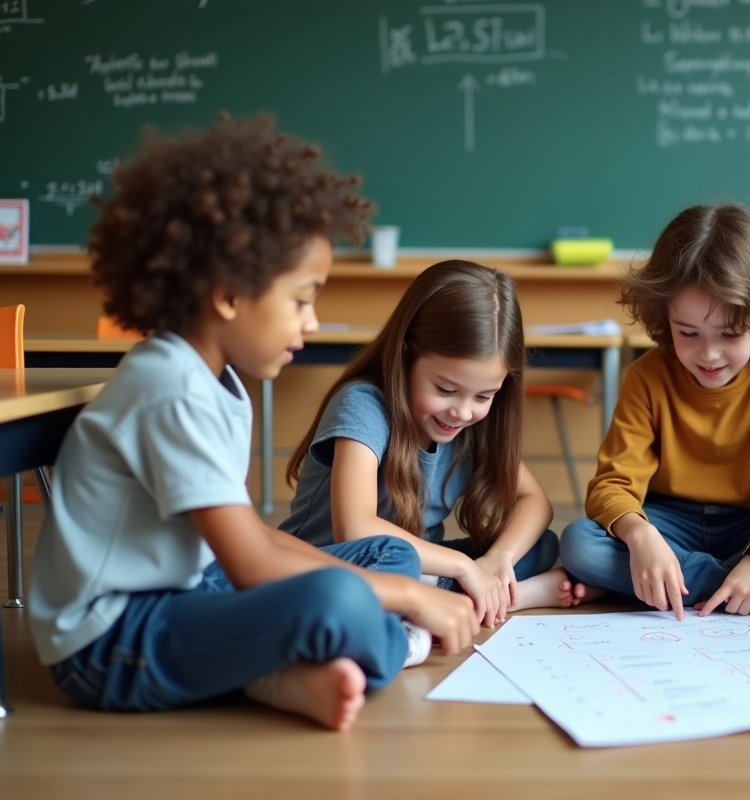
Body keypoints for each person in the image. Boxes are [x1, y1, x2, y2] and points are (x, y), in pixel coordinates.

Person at [28, 115, 480, 732]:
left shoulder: (213, 380)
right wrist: (413, 601)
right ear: (228, 294)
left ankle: (282, 673)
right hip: (108, 641)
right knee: (347, 596)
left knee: (385, 554)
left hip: (187, 589)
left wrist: (400, 583)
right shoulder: (171, 390)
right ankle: (384, 648)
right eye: (301, 299)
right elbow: (251, 565)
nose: (312, 322)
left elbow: (255, 539)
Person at [559, 204, 750, 621]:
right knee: (580, 543)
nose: (708, 354)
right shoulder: (648, 376)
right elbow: (612, 484)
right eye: (688, 333)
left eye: (729, 334)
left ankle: (681, 581)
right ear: (664, 316)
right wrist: (641, 537)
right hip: (669, 522)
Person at [282, 260, 577, 627]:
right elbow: (355, 529)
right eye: (446, 390)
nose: (462, 412)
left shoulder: (475, 426)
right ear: (406, 354)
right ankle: (499, 599)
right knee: (396, 564)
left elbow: (535, 502)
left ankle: (473, 600)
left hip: (418, 571)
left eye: (484, 396)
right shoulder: (362, 403)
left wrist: (494, 561)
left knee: (538, 545)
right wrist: (464, 567)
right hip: (329, 568)